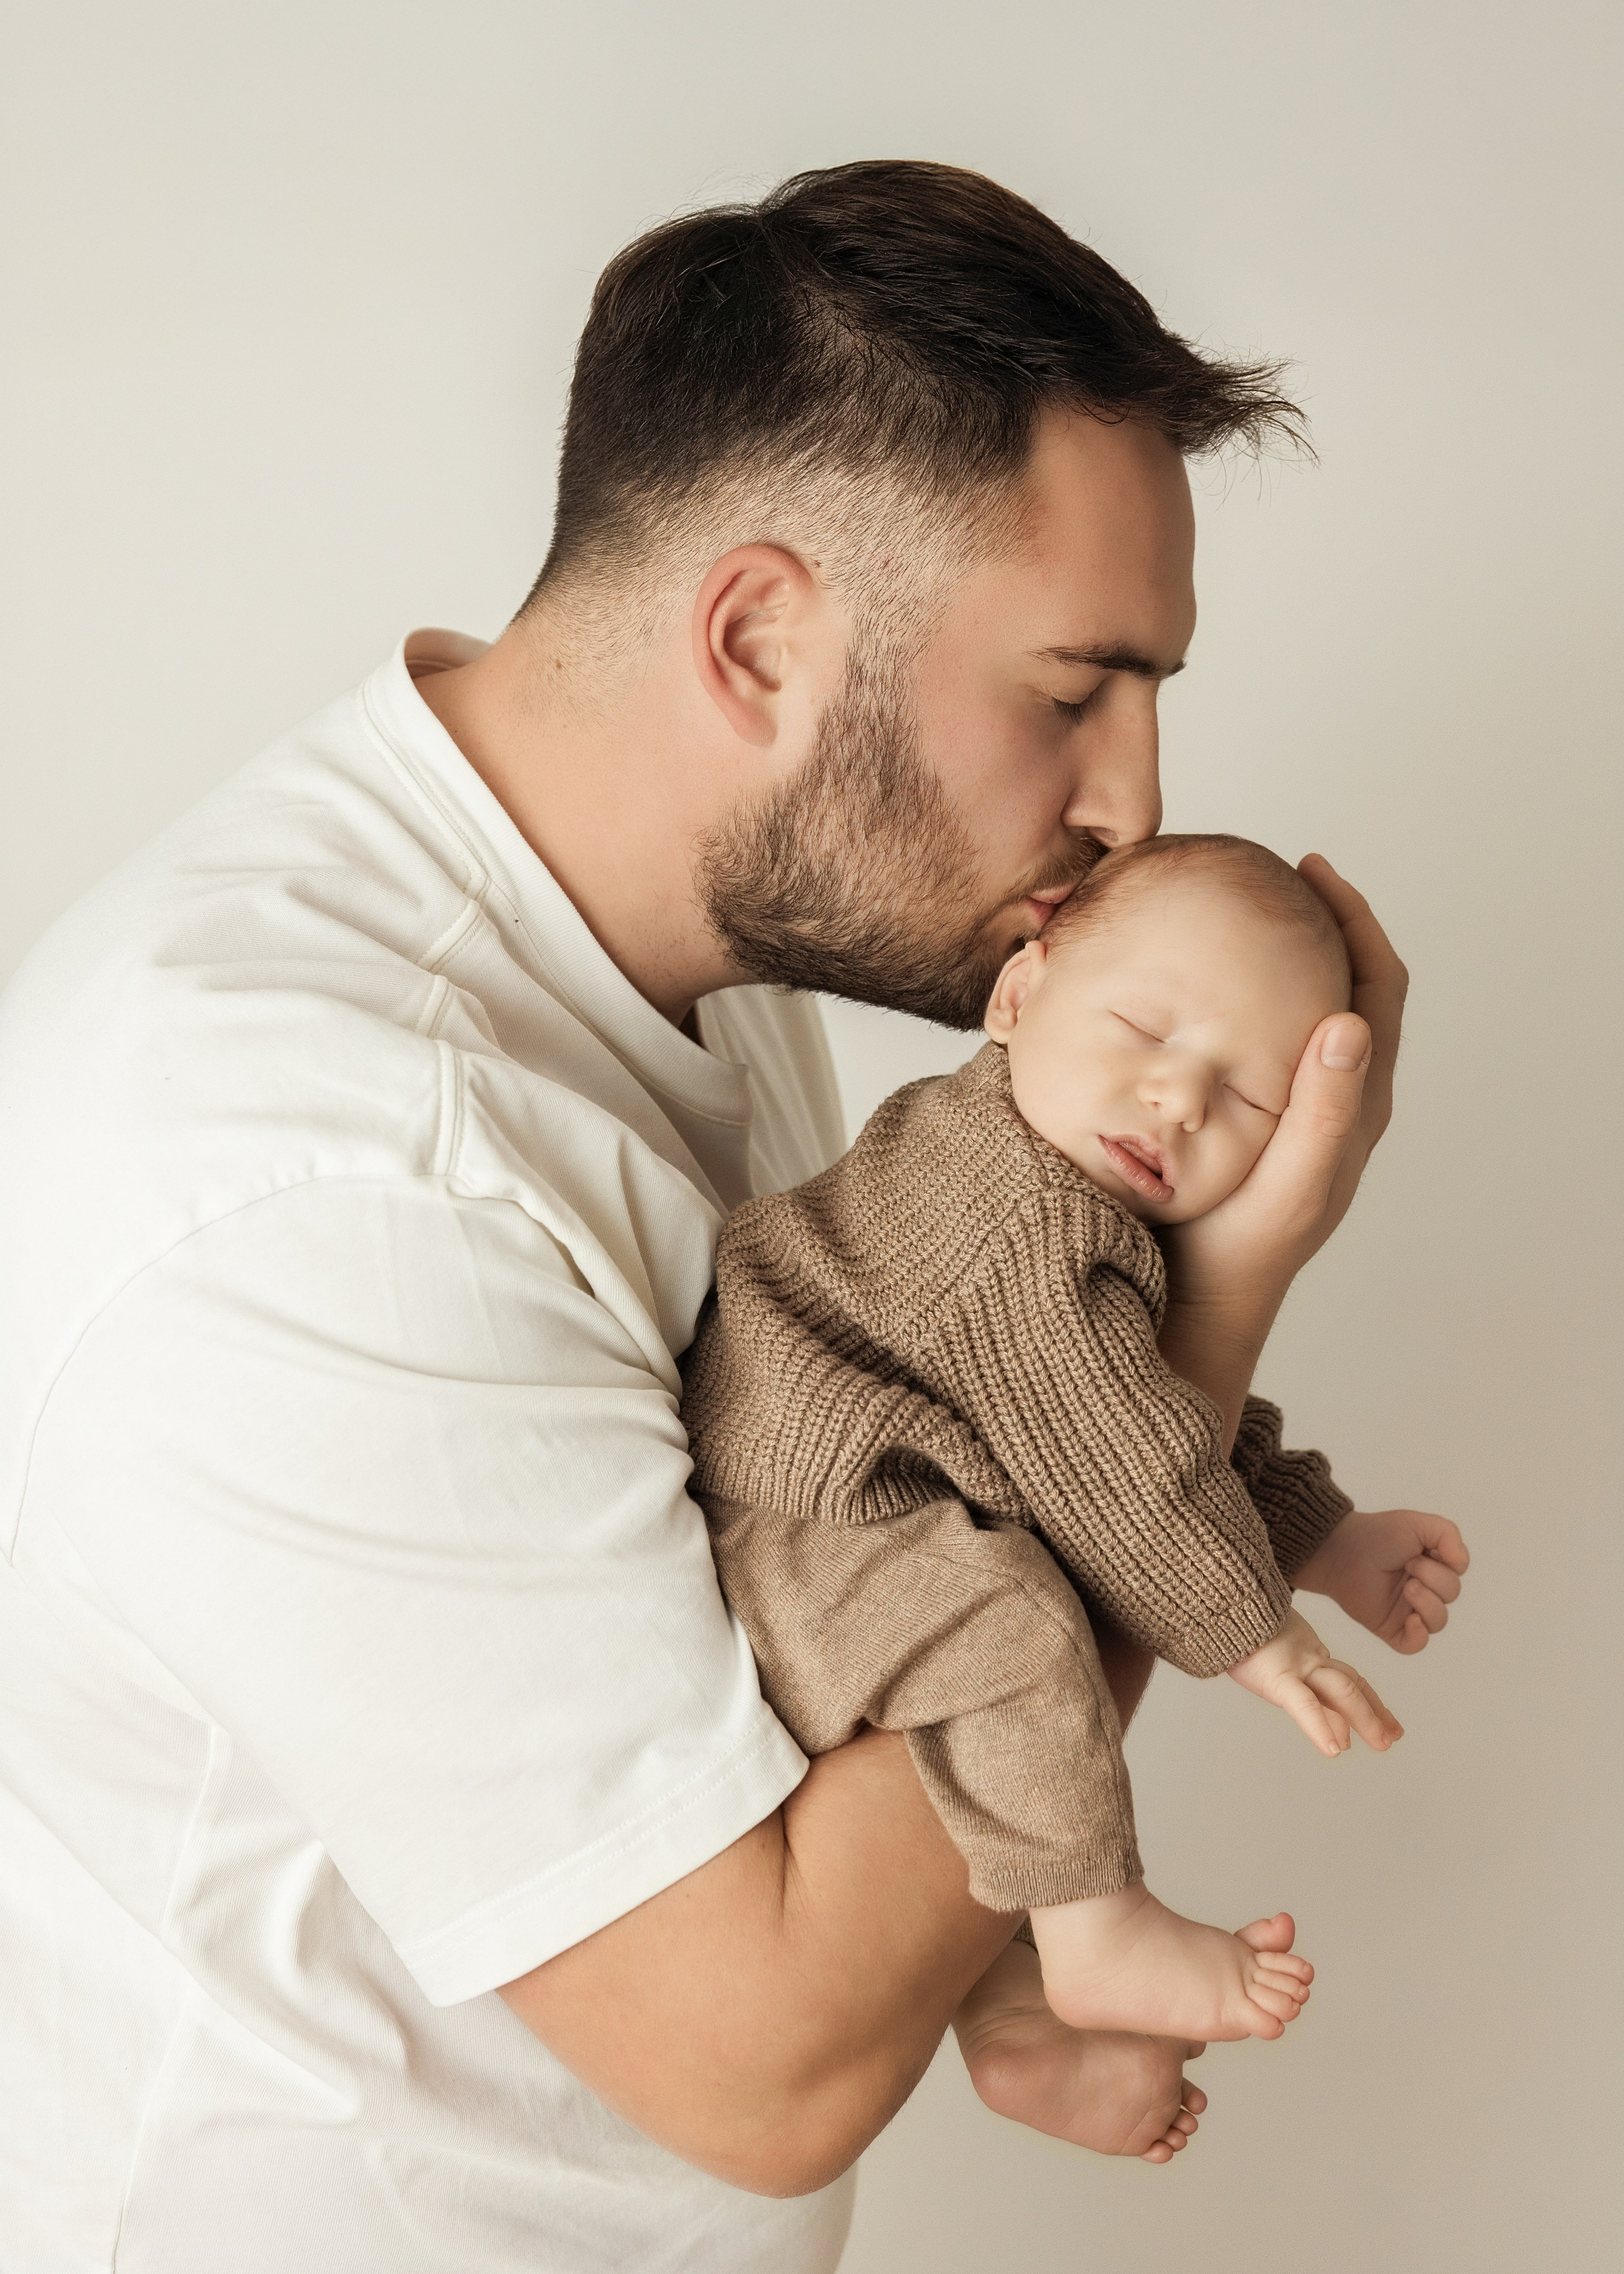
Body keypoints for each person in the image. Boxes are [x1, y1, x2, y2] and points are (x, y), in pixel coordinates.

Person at [0, 161, 1417, 2273]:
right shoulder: (321, 1164)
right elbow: (768, 2060)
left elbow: (828, 1622)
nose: (1134, 794)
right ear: (760, 635)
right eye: (1072, 688)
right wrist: (1215, 1305)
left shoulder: (686, 963)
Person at [684, 832, 1469, 2047]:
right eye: (1146, 1032)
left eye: (1250, 1095)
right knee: (1011, 1629)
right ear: (1015, 993)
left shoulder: (1066, 1191)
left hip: (883, 1494)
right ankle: (1096, 1928)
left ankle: (1010, 2007)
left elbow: (1137, 1422)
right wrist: (1252, 1630)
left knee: (1007, 1627)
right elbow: (1115, 1463)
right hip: (797, 1512)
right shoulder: (1018, 1208)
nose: (1182, 1097)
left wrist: (1324, 1534)